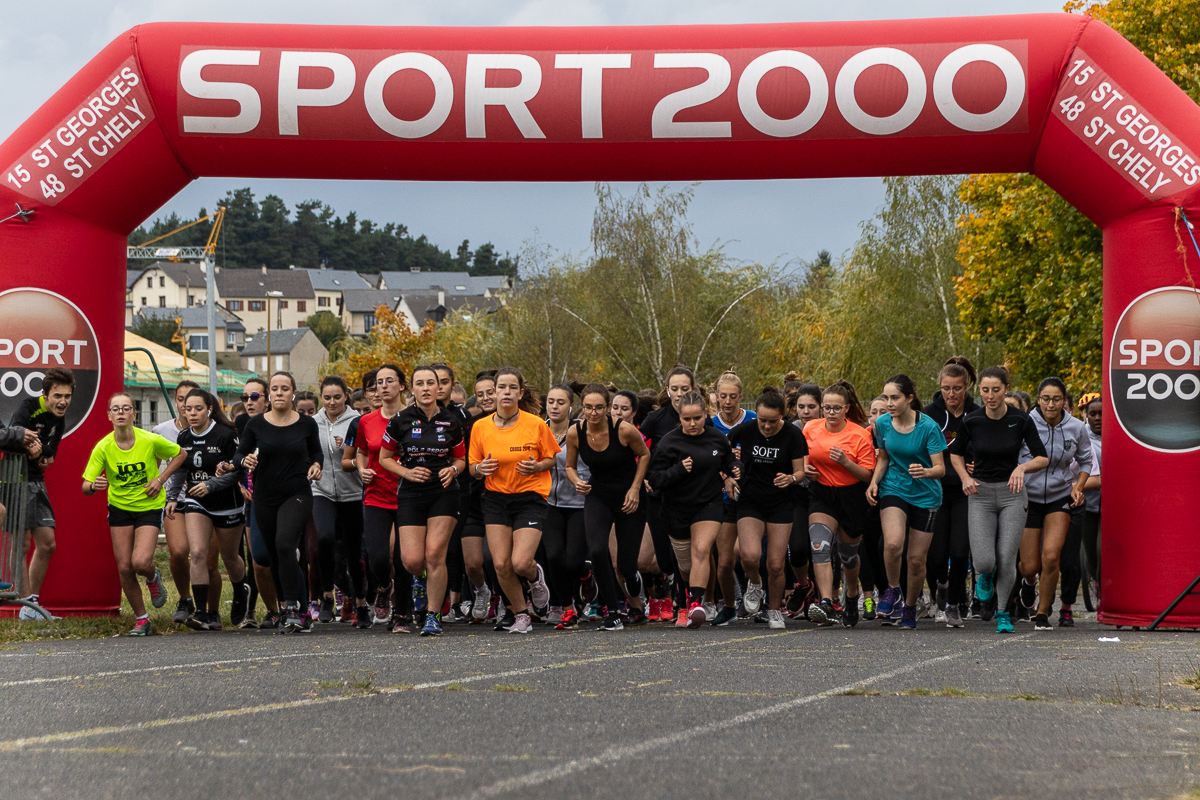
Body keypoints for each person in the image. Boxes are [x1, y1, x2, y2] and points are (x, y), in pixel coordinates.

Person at [949, 366, 1049, 634]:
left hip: (1012, 494)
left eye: (996, 390)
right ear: (979, 391)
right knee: (984, 561)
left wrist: (1022, 468)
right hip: (980, 494)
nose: (990, 396)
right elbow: (955, 454)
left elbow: (1042, 457)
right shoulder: (972, 420)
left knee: (1006, 557)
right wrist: (964, 477)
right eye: (985, 390)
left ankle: (1003, 613)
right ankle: (986, 575)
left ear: (1006, 389)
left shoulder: (1020, 419)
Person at [82, 394, 187, 636]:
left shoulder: (149, 440)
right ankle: (142, 619)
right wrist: (94, 486)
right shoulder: (104, 447)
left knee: (140, 562)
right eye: (115, 409)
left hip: (148, 506)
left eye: (125, 408)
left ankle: (152, 576)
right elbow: (86, 485)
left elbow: (180, 454)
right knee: (125, 568)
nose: (120, 412)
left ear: (134, 414)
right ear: (109, 415)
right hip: (119, 508)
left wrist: (160, 479)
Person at [467, 367, 558, 634]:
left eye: (512, 388)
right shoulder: (480, 427)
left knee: (520, 562)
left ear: (520, 393)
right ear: (494, 393)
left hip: (530, 497)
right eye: (501, 388)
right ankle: (521, 614)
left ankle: (534, 577)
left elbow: (551, 458)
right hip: (495, 498)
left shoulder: (536, 424)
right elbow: (472, 467)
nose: (506, 392)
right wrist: (479, 469)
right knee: (500, 564)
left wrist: (537, 467)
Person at [379, 366, 466, 637]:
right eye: (420, 383)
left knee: (435, 554)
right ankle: (421, 578)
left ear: (439, 388)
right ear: (412, 389)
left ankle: (432, 615)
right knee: (413, 561)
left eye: (431, 383)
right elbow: (384, 458)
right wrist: (407, 472)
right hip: (411, 493)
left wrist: (453, 470)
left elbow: (461, 459)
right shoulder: (400, 420)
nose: (426, 388)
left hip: (443, 492)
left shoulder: (452, 421)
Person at [235, 372, 323, 633]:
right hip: (264, 497)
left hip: (297, 494)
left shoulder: (307, 424)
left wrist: (317, 465)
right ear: (269, 395)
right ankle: (286, 607)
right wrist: (245, 460)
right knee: (274, 554)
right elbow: (239, 454)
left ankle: (294, 609)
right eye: (275, 388)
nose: (280, 393)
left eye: (285, 388)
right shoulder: (256, 424)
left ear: (293, 393)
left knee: (285, 544)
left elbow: (316, 452)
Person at [646, 390, 738, 629]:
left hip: (709, 504)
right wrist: (677, 470)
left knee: (702, 549)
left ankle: (697, 604)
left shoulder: (717, 438)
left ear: (705, 414)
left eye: (697, 418)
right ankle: (690, 596)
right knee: (686, 566)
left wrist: (734, 469)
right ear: (680, 417)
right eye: (687, 419)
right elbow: (654, 479)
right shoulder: (669, 443)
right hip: (676, 509)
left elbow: (727, 461)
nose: (692, 423)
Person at [567, 384, 652, 631]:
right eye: (588, 408)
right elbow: (570, 466)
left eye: (599, 408)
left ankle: (633, 579)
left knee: (625, 566)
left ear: (607, 407)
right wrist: (576, 481)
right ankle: (613, 612)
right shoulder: (575, 432)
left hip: (628, 496)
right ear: (582, 407)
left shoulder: (623, 430)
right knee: (596, 551)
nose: (593, 413)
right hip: (598, 496)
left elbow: (644, 455)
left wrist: (635, 488)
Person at [867, 375, 947, 630]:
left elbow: (940, 469)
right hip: (895, 487)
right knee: (892, 543)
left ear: (909, 398)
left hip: (925, 494)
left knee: (915, 560)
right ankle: (893, 590)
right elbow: (883, 458)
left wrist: (925, 471)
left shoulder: (929, 427)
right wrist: (874, 482)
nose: (889, 403)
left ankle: (911, 606)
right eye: (886, 398)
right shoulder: (882, 423)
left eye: (895, 398)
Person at [165, 389, 249, 631]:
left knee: (230, 558)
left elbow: (239, 471)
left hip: (227, 503)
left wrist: (212, 485)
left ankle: (240, 590)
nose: (192, 413)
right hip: (197, 501)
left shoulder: (226, 435)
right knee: (198, 553)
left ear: (209, 410)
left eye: (198, 409)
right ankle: (201, 612)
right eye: (188, 409)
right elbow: (181, 469)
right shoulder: (184, 437)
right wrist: (172, 497)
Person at [727, 388, 807, 629]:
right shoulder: (744, 430)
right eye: (762, 420)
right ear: (756, 414)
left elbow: (801, 471)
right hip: (750, 500)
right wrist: (728, 476)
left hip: (781, 502)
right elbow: (722, 455)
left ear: (782, 415)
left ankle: (774, 610)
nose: (767, 426)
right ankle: (754, 583)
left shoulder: (793, 435)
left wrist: (791, 478)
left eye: (773, 421)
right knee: (749, 556)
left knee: (775, 563)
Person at [1018, 377, 1092, 631]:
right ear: (1038, 400)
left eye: (1056, 399)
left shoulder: (1076, 427)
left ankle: (1042, 613)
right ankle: (1029, 583)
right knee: (1030, 566)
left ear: (1064, 401)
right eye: (1046, 399)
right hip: (1029, 496)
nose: (1051, 404)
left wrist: (1078, 487)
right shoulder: (1025, 423)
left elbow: (1086, 461)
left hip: (1060, 496)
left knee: (1051, 556)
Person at [640, 365, 711, 624]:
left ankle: (685, 604)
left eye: (685, 388)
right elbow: (636, 448)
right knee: (664, 557)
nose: (679, 393)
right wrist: (643, 477)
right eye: (674, 388)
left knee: (683, 554)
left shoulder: (702, 419)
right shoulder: (655, 418)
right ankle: (669, 589)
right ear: (667, 390)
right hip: (658, 495)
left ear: (694, 389)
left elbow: (715, 450)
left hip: (689, 497)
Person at [802, 380, 876, 627]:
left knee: (848, 555)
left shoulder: (860, 435)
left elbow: (867, 475)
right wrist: (806, 469)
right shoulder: (811, 428)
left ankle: (851, 594)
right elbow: (803, 457)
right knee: (819, 545)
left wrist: (845, 462)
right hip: (822, 494)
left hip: (851, 496)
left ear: (846, 408)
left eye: (836, 408)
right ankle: (826, 601)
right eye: (826, 408)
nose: (830, 413)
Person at [350, 365, 413, 631]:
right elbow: (362, 452)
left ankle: (402, 615)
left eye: (390, 381)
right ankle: (384, 587)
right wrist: (361, 469)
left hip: (408, 495)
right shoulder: (367, 421)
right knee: (377, 556)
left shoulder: (414, 418)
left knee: (402, 559)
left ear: (402, 385)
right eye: (379, 382)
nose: (383, 386)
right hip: (376, 494)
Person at [10, 367, 74, 619]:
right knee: (22, 544)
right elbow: (13, 436)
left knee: (47, 544)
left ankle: (31, 606)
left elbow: (49, 455)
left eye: (67, 396)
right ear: (45, 395)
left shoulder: (60, 419)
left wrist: (41, 451)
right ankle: (27, 607)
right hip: (15, 478)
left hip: (36, 480)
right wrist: (32, 447)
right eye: (58, 396)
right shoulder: (28, 406)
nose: (63, 402)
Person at [923, 357, 978, 627]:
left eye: (957, 388)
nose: (951, 394)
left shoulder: (976, 413)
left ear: (966, 386)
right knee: (935, 555)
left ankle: (954, 605)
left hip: (965, 492)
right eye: (946, 388)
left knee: (959, 552)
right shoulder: (928, 415)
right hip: (935, 490)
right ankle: (941, 586)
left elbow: (987, 446)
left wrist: (978, 464)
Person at [311, 376, 367, 626]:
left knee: (354, 552)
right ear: (321, 398)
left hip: (352, 493)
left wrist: (346, 448)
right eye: (327, 397)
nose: (332, 402)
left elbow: (366, 455)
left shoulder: (357, 421)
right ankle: (326, 596)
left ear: (346, 396)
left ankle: (361, 604)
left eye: (337, 397)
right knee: (324, 539)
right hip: (321, 491)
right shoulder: (313, 423)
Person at [542, 384, 589, 628]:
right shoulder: (539, 429)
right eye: (551, 401)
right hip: (549, 502)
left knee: (573, 561)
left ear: (571, 406)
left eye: (561, 402)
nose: (555, 406)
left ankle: (586, 575)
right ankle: (566, 608)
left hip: (580, 503)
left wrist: (588, 482)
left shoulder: (582, 430)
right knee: (553, 556)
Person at [460, 371, 498, 623]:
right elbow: (464, 460)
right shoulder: (472, 425)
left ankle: (504, 600)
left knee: (493, 558)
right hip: (473, 499)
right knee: (473, 563)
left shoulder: (516, 422)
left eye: (490, 392)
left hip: (501, 499)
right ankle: (482, 591)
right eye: (480, 394)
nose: (485, 398)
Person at [785, 383, 823, 619]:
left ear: (821, 407)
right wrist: (797, 472)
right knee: (798, 548)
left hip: (824, 493)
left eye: (811, 406)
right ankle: (803, 584)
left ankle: (823, 598)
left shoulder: (828, 428)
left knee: (820, 548)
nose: (806, 411)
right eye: (801, 407)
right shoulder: (789, 431)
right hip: (797, 495)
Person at [1079, 394, 1102, 609]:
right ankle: (1096, 580)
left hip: (1113, 506)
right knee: (1092, 557)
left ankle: (1106, 594)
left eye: (1102, 414)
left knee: (1102, 551)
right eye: (1092, 414)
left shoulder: (1119, 436)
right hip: (1088, 505)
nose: (1097, 418)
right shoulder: (1081, 436)